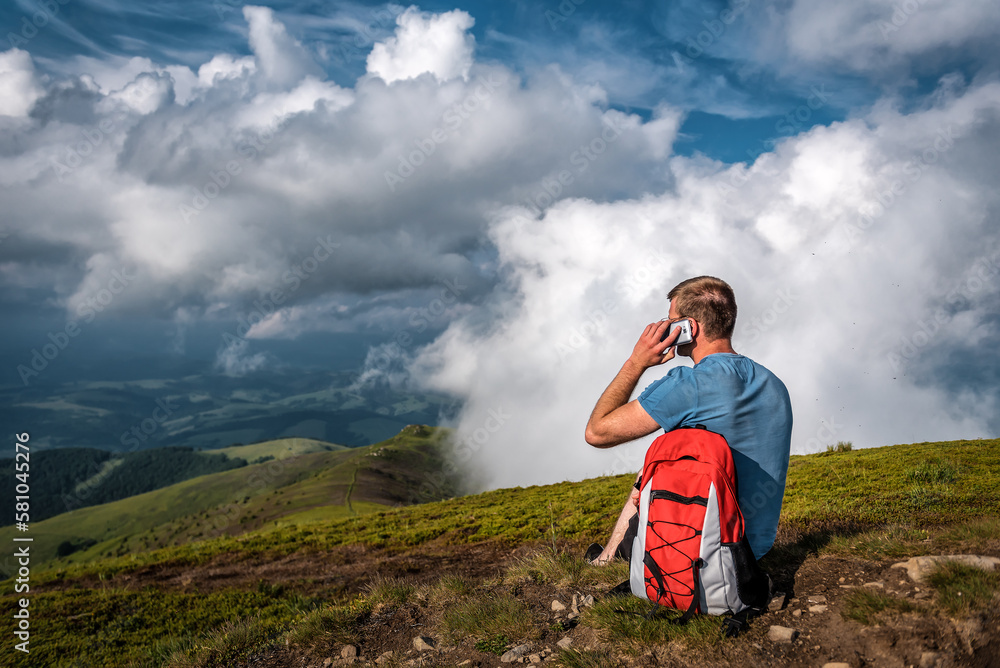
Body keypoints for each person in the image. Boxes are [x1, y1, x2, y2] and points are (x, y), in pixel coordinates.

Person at [583, 276, 793, 564]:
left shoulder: (687, 383)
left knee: (659, 457)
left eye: (671, 322)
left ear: (689, 328)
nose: (667, 328)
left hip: (692, 552)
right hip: (755, 552)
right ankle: (607, 557)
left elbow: (597, 432)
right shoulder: (775, 384)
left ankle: (607, 560)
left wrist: (636, 362)